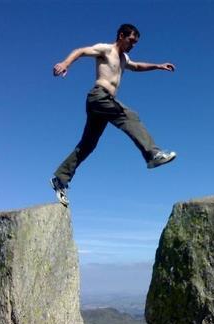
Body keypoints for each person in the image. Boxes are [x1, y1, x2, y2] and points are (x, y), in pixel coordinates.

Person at [50, 23, 177, 206]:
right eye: (131, 40)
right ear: (121, 36)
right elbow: (81, 51)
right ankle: (153, 154)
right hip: (99, 97)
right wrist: (65, 63)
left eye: (135, 43)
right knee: (129, 116)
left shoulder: (124, 58)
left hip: (102, 105)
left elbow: (138, 66)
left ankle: (60, 179)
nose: (132, 45)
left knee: (88, 145)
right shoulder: (106, 49)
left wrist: (157, 66)